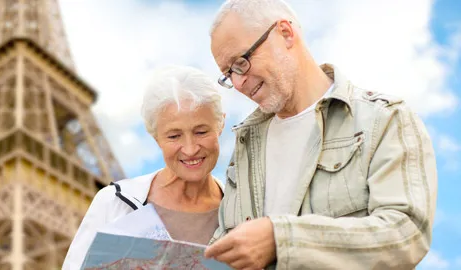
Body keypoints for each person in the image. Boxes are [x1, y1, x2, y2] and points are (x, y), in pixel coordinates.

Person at [203, 0, 438, 269]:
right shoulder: (246, 143)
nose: (238, 82)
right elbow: (225, 242)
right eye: (228, 75)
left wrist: (282, 240)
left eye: (240, 64)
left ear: (285, 34)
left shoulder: (384, 120)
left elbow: (406, 234)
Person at [62, 65, 226, 269]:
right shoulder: (113, 203)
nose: (190, 149)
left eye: (201, 132)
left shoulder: (242, 209)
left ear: (221, 125)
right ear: (156, 138)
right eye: (174, 136)